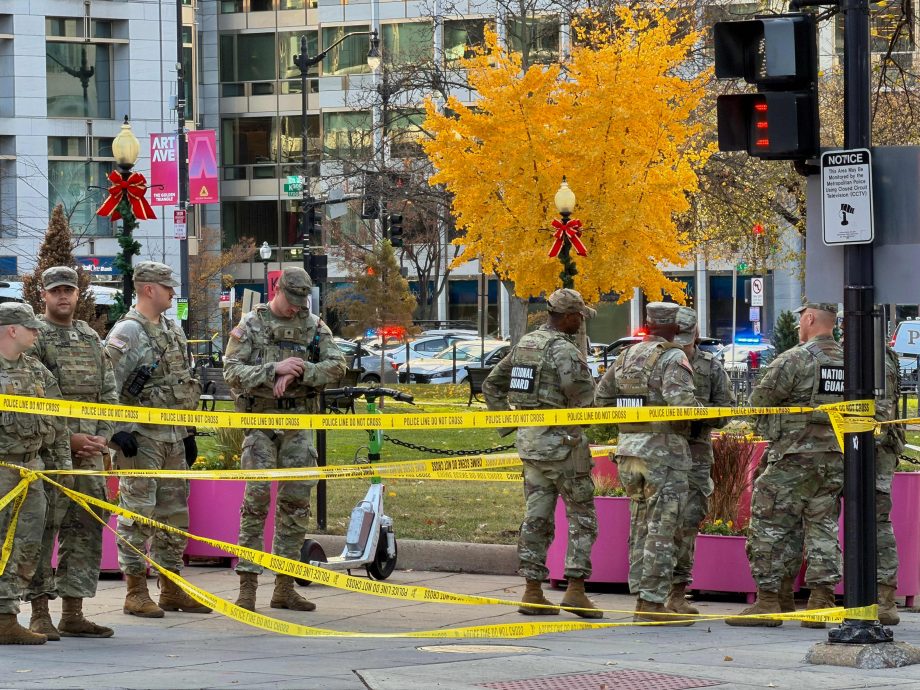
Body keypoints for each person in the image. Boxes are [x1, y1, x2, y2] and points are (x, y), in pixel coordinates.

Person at [224, 266, 346, 612]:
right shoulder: (251, 324)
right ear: (277, 290)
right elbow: (231, 371)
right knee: (256, 502)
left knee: (296, 505)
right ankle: (248, 586)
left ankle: (285, 586)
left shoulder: (313, 325)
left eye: (300, 301)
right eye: (291, 300)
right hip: (261, 423)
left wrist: (301, 371)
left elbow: (338, 365)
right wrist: (273, 370)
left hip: (297, 424)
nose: (295, 307)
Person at [482, 288, 601, 619]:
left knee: (536, 519)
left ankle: (532, 591)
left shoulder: (526, 344)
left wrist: (509, 423)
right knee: (582, 518)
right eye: (579, 316)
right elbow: (584, 397)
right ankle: (575, 590)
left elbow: (491, 384)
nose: (581, 322)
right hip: (564, 448)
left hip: (531, 444)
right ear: (567, 316)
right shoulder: (565, 350)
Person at [726, 302, 844, 628]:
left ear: (810, 318)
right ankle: (820, 601)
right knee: (823, 527)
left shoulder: (796, 359)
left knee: (770, 523)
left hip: (793, 456)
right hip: (835, 458)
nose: (799, 326)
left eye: (801, 319)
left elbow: (759, 402)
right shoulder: (851, 361)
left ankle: (769, 601)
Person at [103, 261, 207, 618]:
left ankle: (172, 587)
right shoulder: (127, 332)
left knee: (174, 514)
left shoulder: (171, 329)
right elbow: (107, 384)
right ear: (149, 289)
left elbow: (180, 383)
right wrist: (116, 431)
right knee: (137, 514)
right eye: (167, 287)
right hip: (141, 439)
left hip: (173, 437)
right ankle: (135, 591)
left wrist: (187, 432)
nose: (173, 293)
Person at [24, 267, 118, 640]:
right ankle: (39, 612)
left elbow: (108, 392)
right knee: (42, 528)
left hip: (90, 452)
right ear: (43, 296)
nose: (63, 296)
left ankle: (73, 612)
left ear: (78, 294)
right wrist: (69, 438)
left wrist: (101, 436)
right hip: (50, 451)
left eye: (69, 290)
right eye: (55, 291)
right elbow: (32, 399)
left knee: (86, 529)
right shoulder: (34, 336)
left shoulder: (89, 336)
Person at [595, 301, 699, 624]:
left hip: (629, 453)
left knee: (640, 525)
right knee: (663, 528)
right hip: (663, 455)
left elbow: (601, 398)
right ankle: (652, 603)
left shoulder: (626, 356)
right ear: (674, 328)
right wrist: (703, 412)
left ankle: (642, 596)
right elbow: (682, 405)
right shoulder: (672, 357)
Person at [0, 303, 69, 645]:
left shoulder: (36, 370)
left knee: (28, 545)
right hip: (2, 469)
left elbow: (58, 419)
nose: (36, 333)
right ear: (12, 330)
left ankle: (6, 616)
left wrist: (62, 466)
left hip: (32, 470)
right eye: (31, 328)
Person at [667, 306, 735, 615]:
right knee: (657, 522)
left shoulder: (710, 366)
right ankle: (650, 591)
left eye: (686, 336)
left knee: (689, 521)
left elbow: (726, 410)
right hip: (661, 453)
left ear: (695, 333)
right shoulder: (658, 361)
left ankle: (677, 592)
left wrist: (698, 414)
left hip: (695, 455)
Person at [875, 343, 905, 625]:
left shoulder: (875, 355)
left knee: (877, 522)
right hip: (848, 449)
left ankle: (885, 599)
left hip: (875, 453)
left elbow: (881, 415)